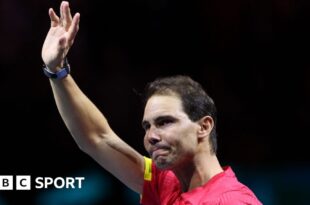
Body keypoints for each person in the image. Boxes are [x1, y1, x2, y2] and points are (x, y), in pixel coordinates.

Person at [41, 1, 263, 204]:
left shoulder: (231, 201)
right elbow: (97, 138)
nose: (151, 136)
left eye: (165, 122)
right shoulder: (164, 183)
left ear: (203, 126)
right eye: (147, 126)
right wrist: (56, 71)